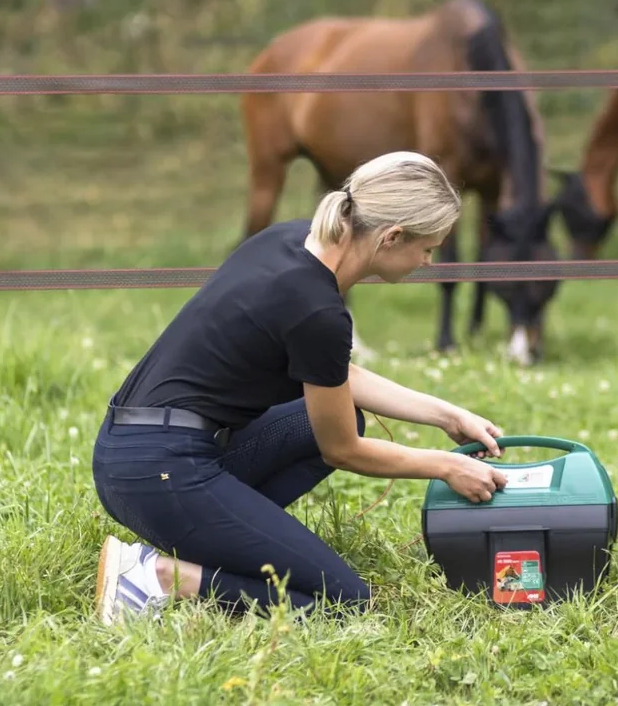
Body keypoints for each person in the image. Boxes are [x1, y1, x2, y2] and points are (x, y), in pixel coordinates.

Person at [91, 151, 510, 623]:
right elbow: (343, 450)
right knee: (345, 602)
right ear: (392, 238)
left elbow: (334, 375)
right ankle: (158, 577)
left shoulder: (288, 242)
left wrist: (448, 416)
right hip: (159, 474)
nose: (429, 262)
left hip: (132, 453)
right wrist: (445, 466)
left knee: (338, 413)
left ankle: (219, 536)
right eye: (428, 249)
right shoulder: (316, 309)